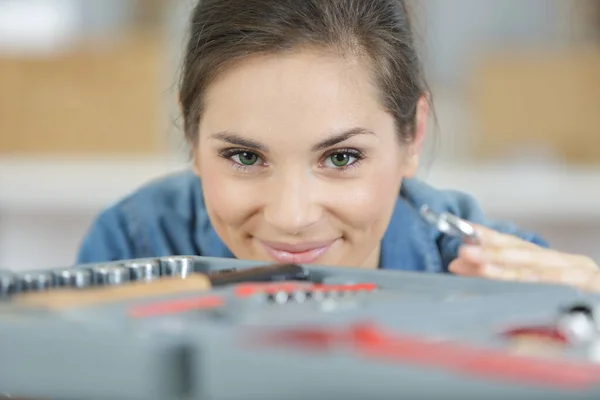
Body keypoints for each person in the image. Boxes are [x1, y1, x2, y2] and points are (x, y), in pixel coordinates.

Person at [77, 0, 600, 291]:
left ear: (412, 136)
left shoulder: (500, 277)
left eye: (341, 157)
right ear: (191, 138)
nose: (292, 217)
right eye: (245, 156)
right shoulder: (133, 244)